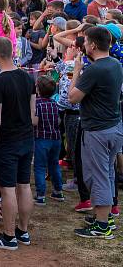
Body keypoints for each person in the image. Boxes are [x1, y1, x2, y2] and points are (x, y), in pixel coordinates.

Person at [68, 26, 123, 239]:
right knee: (107, 173)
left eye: (86, 41)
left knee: (98, 176)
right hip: (113, 127)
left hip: (97, 130)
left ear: (92, 45)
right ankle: (106, 217)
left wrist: (77, 70)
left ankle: (102, 226)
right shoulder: (115, 64)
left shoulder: (94, 69)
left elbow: (73, 97)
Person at [0, 37, 35, 251]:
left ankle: (8, 237)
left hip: (6, 141)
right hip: (26, 138)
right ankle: (22, 231)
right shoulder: (27, 78)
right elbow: (33, 114)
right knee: (23, 185)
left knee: (7, 189)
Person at [32, 76, 65, 206]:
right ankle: (58, 191)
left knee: (39, 167)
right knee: (54, 164)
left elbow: (35, 122)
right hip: (55, 139)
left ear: (38, 90)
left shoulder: (37, 104)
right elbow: (58, 121)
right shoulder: (54, 104)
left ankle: (40, 195)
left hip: (42, 139)